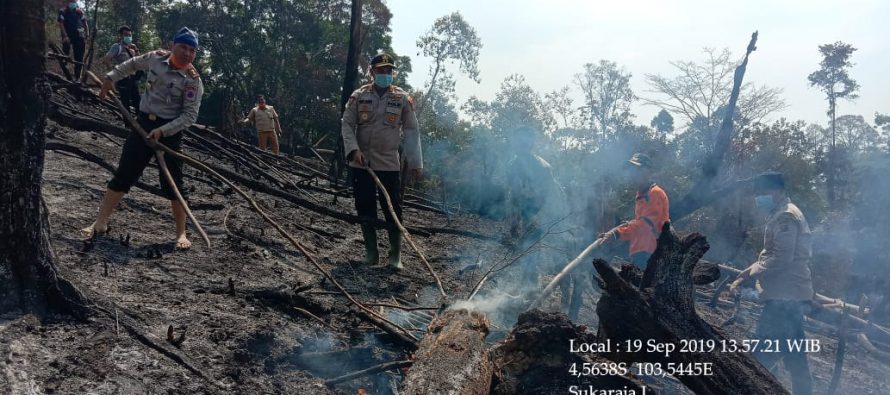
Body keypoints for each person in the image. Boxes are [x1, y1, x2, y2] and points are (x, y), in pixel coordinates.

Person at [81, 27, 204, 250]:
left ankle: (181, 233)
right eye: (183, 47)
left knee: (174, 184)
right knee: (124, 173)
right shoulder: (156, 58)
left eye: (192, 50)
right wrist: (111, 77)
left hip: (170, 133)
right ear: (172, 45)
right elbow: (132, 64)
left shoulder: (192, 80)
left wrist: (164, 131)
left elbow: (190, 115)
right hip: (143, 124)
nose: (187, 53)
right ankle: (100, 222)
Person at [730, 172, 814, 395]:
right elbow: (771, 254)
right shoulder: (780, 213)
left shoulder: (786, 217)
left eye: (762, 193)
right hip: (789, 294)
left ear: (775, 191)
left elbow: (782, 258)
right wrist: (748, 270)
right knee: (796, 359)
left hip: (784, 296)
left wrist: (752, 272)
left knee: (758, 358)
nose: (759, 198)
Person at [341, 53, 422, 269]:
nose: (386, 74)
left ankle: (395, 256)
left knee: (392, 208)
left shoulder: (402, 98)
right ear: (372, 72)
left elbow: (412, 131)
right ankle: (371, 253)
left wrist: (416, 163)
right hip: (362, 163)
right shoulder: (358, 96)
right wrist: (353, 150)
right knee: (365, 207)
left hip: (389, 164)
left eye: (389, 71)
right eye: (381, 70)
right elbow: (347, 125)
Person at [600, 153, 670, 269]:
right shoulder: (642, 194)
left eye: (637, 170)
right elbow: (639, 223)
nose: (632, 174)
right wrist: (612, 234)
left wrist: (616, 234)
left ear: (647, 171)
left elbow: (645, 225)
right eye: (631, 170)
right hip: (642, 253)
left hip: (652, 255)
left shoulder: (654, 193)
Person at [103, 26, 141, 111]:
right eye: (126, 35)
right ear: (121, 36)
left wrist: (136, 50)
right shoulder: (117, 47)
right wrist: (113, 75)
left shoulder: (132, 48)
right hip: (123, 79)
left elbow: (140, 61)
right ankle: (127, 123)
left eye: (130, 35)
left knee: (137, 101)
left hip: (132, 78)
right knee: (125, 103)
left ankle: (138, 123)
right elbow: (106, 59)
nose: (128, 37)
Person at [57, 0, 90, 80]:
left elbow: (85, 23)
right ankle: (65, 75)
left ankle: (77, 78)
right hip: (67, 36)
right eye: (71, 1)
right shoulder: (63, 12)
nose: (73, 3)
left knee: (79, 58)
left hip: (79, 37)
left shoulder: (79, 12)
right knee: (65, 55)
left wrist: (87, 34)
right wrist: (65, 36)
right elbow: (61, 24)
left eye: (74, 1)